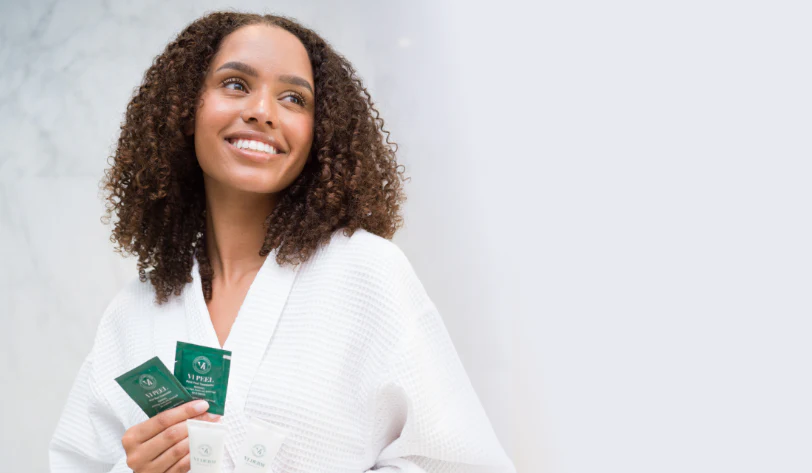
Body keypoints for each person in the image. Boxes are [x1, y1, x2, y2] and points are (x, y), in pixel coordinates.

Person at [49, 10, 516, 473]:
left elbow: (463, 462)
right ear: (186, 108)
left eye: (294, 98)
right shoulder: (135, 313)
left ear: (320, 134)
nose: (262, 111)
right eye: (235, 84)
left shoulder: (366, 275)